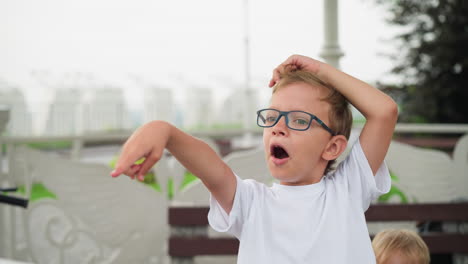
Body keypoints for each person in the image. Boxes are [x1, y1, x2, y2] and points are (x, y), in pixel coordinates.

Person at [110, 54, 398, 263]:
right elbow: (213, 169)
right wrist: (164, 130)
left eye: (298, 120)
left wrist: (322, 70)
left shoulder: (346, 190)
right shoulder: (251, 202)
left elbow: (384, 112)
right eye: (272, 117)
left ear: (333, 148)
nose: (279, 127)